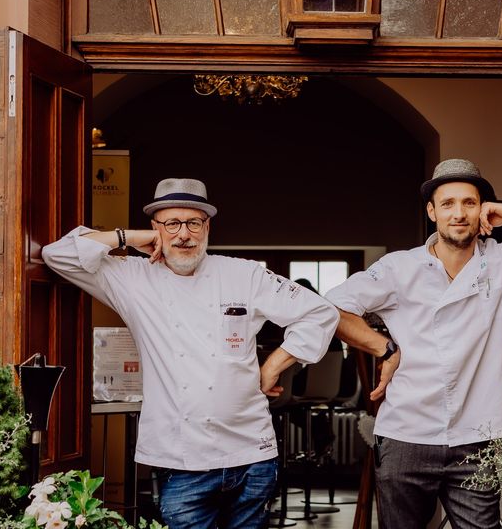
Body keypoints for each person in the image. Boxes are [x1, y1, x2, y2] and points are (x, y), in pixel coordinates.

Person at [41, 178, 339, 529]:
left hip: (252, 455)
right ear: (155, 228)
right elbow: (56, 254)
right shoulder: (130, 277)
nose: (183, 234)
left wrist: (274, 364)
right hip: (181, 461)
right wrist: (129, 238)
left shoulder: (243, 274)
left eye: (193, 222)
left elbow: (320, 312)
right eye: (171, 223)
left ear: (207, 226)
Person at [325, 159, 502, 529]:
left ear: (483, 209)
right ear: (431, 211)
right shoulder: (398, 268)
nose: (459, 214)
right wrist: (383, 347)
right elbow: (332, 307)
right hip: (406, 435)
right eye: (448, 203)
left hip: (475, 438)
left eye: (469, 203)